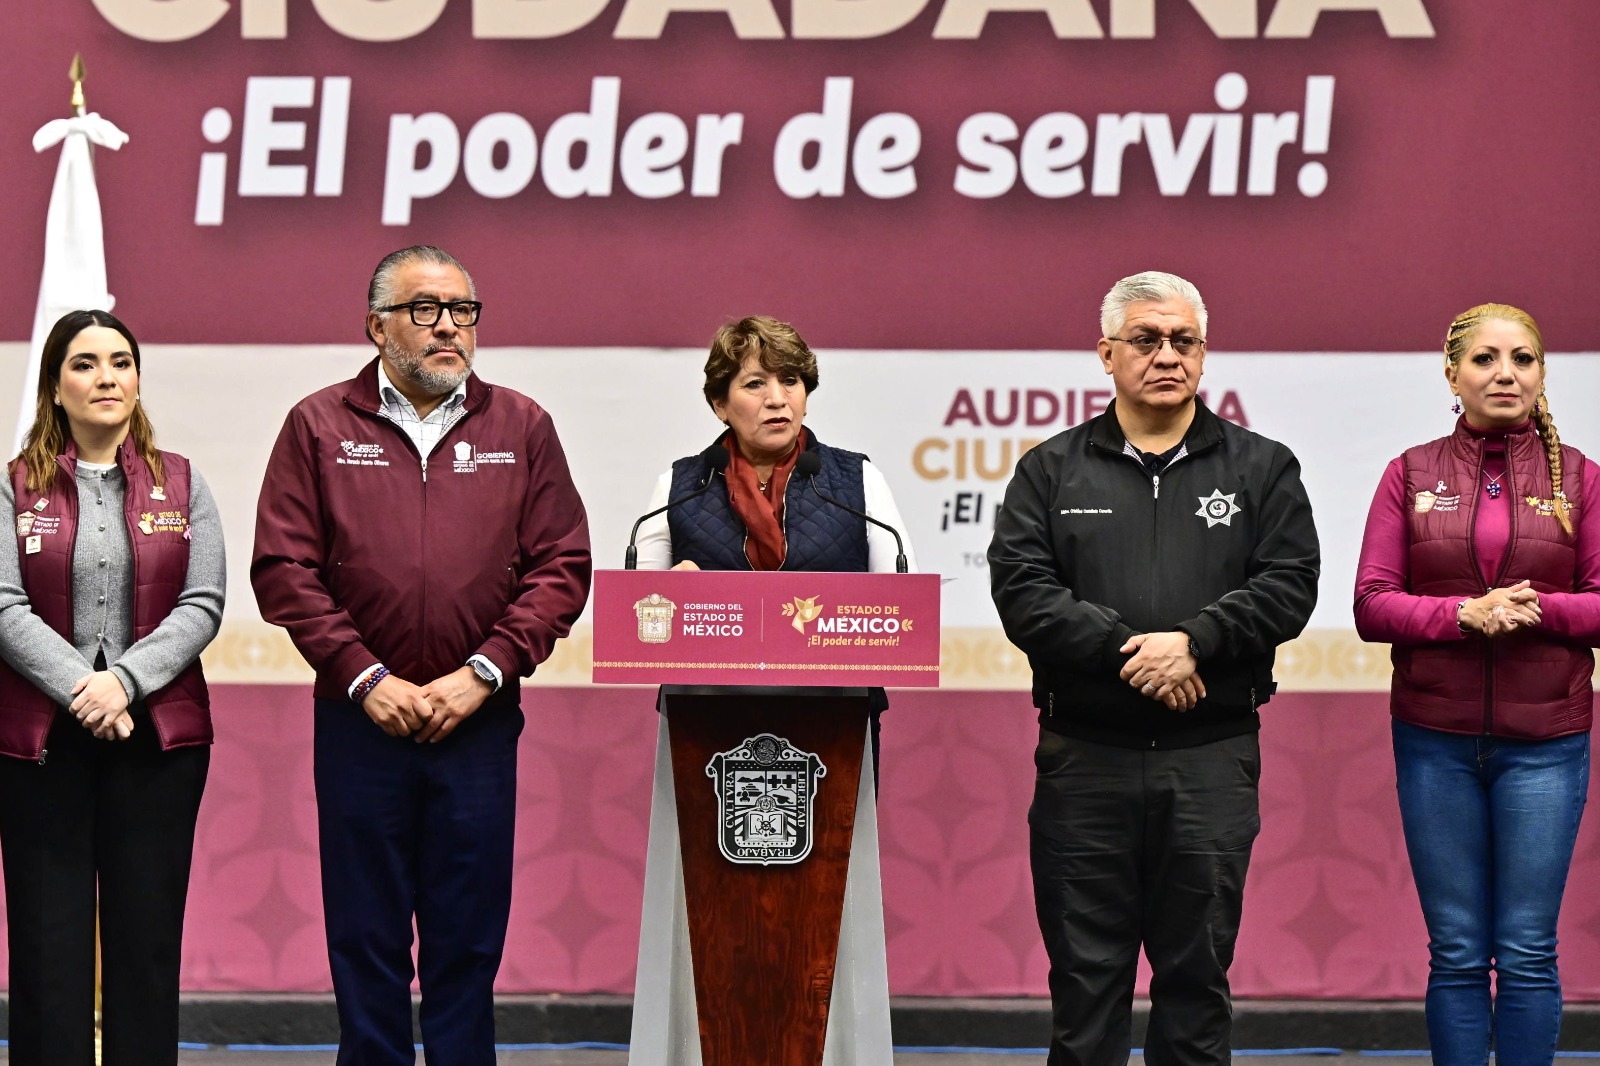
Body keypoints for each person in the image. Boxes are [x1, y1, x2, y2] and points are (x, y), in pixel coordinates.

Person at [251, 245, 591, 1065]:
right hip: (360, 722)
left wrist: (483, 673)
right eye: (426, 310)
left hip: (476, 724)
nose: (450, 328)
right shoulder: (319, 425)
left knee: (467, 944)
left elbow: (562, 567)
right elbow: (283, 570)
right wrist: (366, 679)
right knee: (365, 941)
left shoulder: (522, 426)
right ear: (376, 327)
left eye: (463, 311)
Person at [987, 271, 1319, 1066]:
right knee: (1085, 985)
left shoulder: (1262, 468)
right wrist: (1133, 650)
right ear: (1106, 354)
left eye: (1184, 341)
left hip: (1211, 760)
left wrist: (1196, 640)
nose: (1166, 356)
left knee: (1196, 985)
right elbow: (1023, 591)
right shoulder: (1050, 470)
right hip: (1084, 763)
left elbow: (1289, 584)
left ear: (1203, 355)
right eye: (1146, 340)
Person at [627, 314, 914, 1064]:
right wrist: (668, 592)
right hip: (703, 735)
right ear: (722, 403)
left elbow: (898, 598)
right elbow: (641, 606)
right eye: (755, 383)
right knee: (707, 923)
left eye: (790, 380)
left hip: (834, 732)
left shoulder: (857, 481)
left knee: (830, 914)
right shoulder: (676, 489)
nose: (778, 397)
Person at [1354, 303, 1598, 1066]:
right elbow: (1371, 604)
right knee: (1457, 951)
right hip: (1435, 742)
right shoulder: (1411, 472)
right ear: (1452, 373)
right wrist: (1465, 615)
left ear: (1542, 375)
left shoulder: (1583, 478)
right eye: (1487, 359)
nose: (1506, 374)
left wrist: (1529, 611)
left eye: (1523, 359)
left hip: (1547, 746)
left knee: (1526, 949)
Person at [0, 309, 224, 1066]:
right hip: (39, 748)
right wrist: (80, 688)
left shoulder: (184, 484)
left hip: (156, 745)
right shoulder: (12, 488)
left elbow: (204, 603)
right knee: (46, 947)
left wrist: (122, 683)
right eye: (86, 364)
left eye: (121, 363)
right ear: (56, 386)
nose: (107, 378)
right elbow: (3, 606)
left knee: (146, 944)